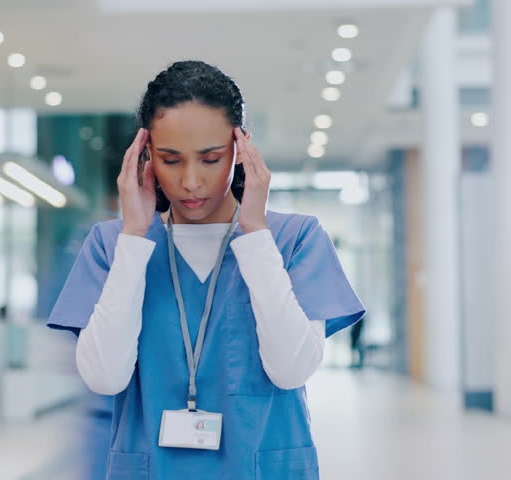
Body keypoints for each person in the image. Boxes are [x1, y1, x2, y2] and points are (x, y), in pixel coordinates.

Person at [48, 61, 364, 479]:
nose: (191, 181)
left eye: (211, 158)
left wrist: (255, 234)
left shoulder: (294, 240)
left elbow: (291, 371)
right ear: (146, 155)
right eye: (171, 160)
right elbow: (105, 378)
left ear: (241, 149)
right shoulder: (113, 245)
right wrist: (134, 238)